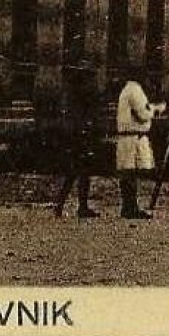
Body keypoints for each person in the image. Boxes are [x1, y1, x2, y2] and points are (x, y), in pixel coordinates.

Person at [53, 63, 102, 219]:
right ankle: (79, 207)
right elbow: (82, 118)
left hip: (75, 137)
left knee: (75, 173)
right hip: (79, 137)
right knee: (81, 173)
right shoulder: (80, 96)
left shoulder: (73, 94)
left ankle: (62, 205)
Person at [115, 75, 161, 219]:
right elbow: (143, 114)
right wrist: (155, 109)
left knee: (129, 172)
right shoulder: (134, 90)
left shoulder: (128, 90)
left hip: (129, 136)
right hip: (131, 136)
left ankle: (129, 206)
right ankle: (130, 207)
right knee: (130, 172)